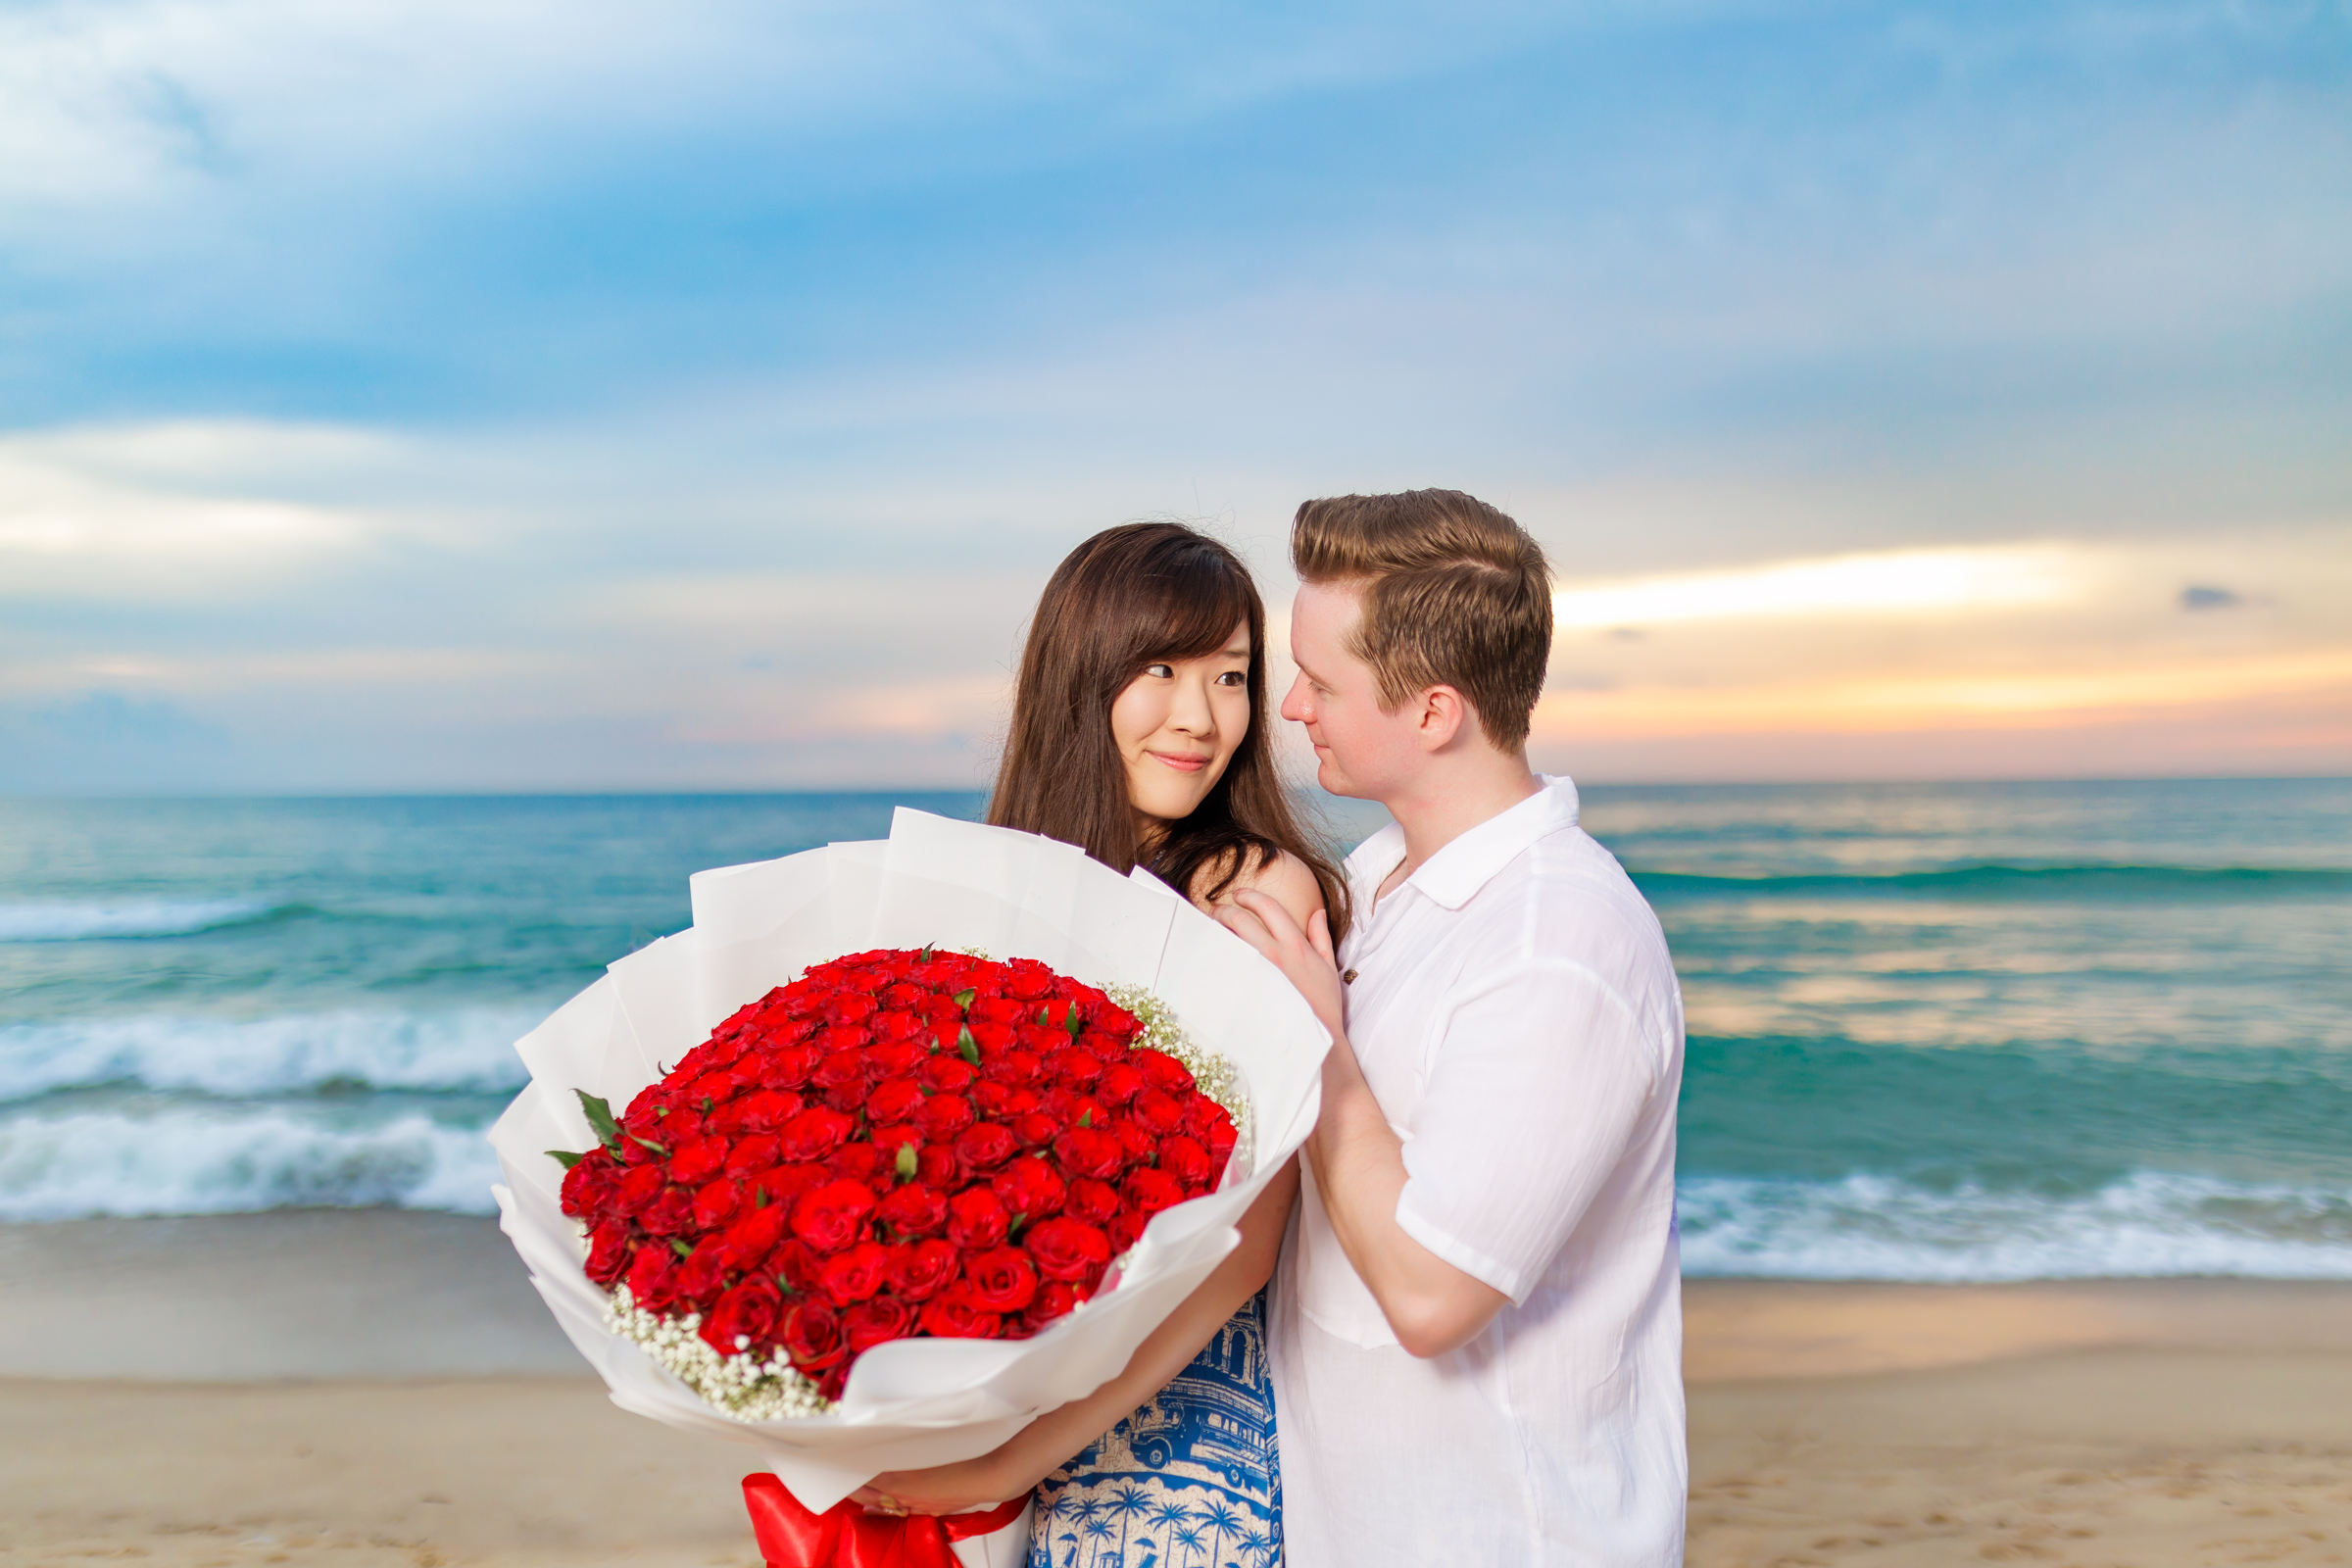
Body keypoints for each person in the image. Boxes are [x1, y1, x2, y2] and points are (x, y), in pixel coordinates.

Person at [850, 520, 1346, 1567]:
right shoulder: (1001, 883)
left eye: (1231, 676)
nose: (1200, 716)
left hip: (1179, 1442)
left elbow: (1243, 1251)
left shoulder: (1249, 892)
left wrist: (1007, 1463)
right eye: (1160, 668)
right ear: (1080, 677)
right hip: (1017, 1419)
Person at [1218, 490, 1688, 1565]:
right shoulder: (1374, 883)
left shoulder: (1560, 940)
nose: (1289, 707)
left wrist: (1321, 1050)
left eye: (1322, 682)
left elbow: (1434, 1294)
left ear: (1434, 714)